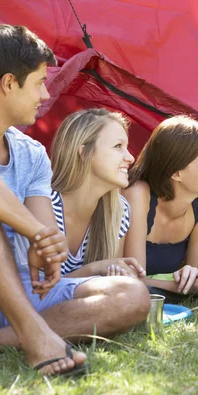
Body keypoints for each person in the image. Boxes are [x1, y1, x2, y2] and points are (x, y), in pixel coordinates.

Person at [0, 24, 149, 375]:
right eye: (38, 83)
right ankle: (37, 336)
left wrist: (47, 248)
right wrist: (33, 231)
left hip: (13, 287)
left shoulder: (32, 152)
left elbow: (47, 235)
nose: (44, 94)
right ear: (8, 83)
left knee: (132, 295)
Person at [123, 116, 198, 299]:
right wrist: (184, 286)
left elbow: (196, 274)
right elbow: (132, 281)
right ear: (177, 174)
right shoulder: (137, 194)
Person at [47, 108, 146, 279]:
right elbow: (34, 291)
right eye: (118, 146)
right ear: (84, 153)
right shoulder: (44, 203)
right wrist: (94, 269)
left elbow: (111, 280)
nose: (130, 157)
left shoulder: (119, 211)